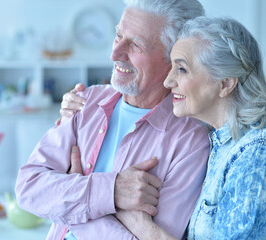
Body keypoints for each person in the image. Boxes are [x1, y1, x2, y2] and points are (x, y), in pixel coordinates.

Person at [15, 0, 210, 239]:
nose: (115, 53)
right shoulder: (84, 102)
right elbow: (29, 188)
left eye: (136, 44)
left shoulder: (190, 142)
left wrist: (71, 199)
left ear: (174, 60)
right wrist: (112, 193)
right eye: (118, 35)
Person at [66, 16, 266, 239]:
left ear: (226, 84)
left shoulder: (255, 156)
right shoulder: (217, 141)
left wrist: (136, 222)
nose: (168, 81)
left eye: (181, 69)